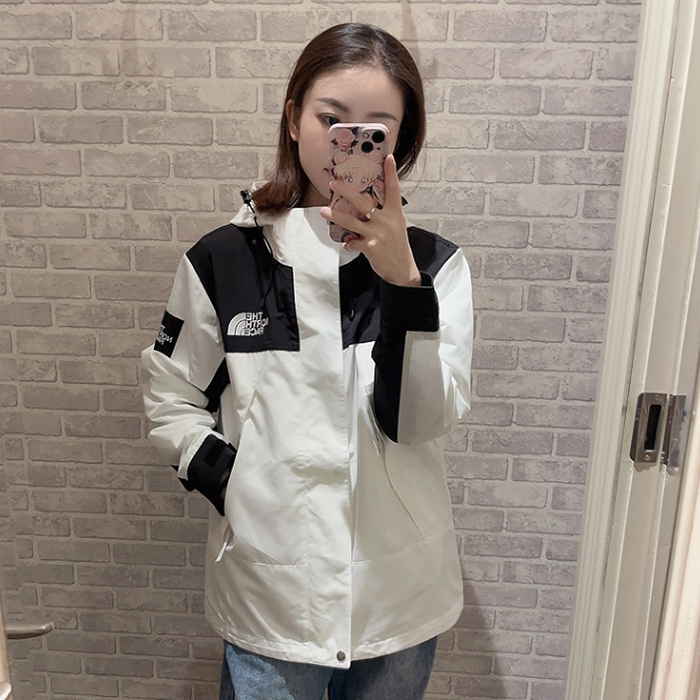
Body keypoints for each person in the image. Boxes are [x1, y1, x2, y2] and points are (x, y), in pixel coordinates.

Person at [141, 22, 473, 700]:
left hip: (398, 596)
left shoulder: (436, 268)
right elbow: (169, 394)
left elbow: (416, 422)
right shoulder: (224, 260)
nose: (349, 141)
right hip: (272, 593)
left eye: (375, 129)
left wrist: (403, 284)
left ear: (400, 142)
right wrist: (233, 484)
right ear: (294, 119)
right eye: (331, 118)